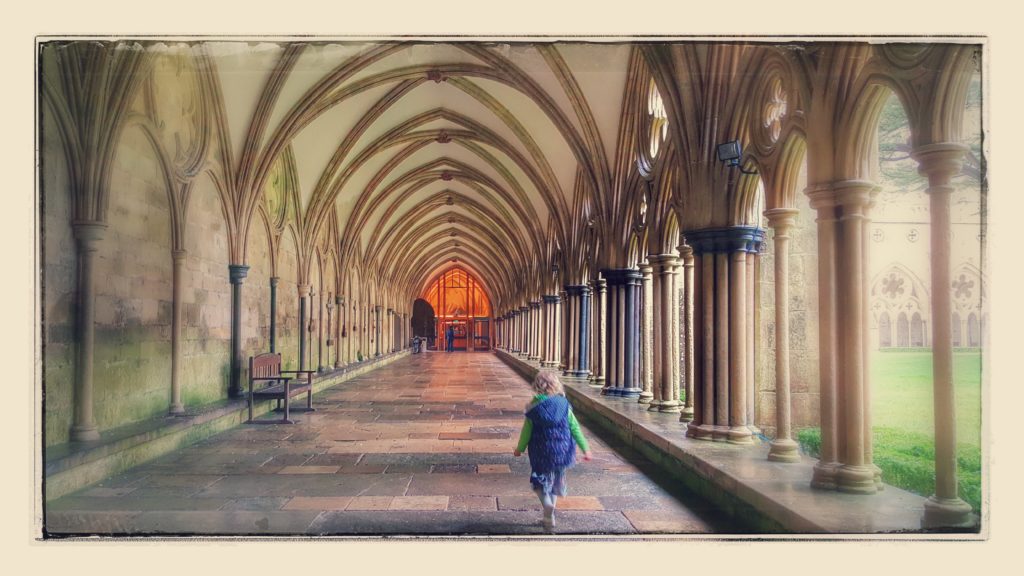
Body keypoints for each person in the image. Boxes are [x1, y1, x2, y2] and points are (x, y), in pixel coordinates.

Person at [513, 371, 591, 530]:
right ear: (556, 385)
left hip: (541, 451)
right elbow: (575, 428)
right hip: (562, 450)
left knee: (539, 482)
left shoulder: (533, 408)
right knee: (556, 481)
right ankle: (551, 513)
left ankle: (547, 506)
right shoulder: (564, 405)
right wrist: (585, 448)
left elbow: (526, 432)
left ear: (537, 386)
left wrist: (519, 449)